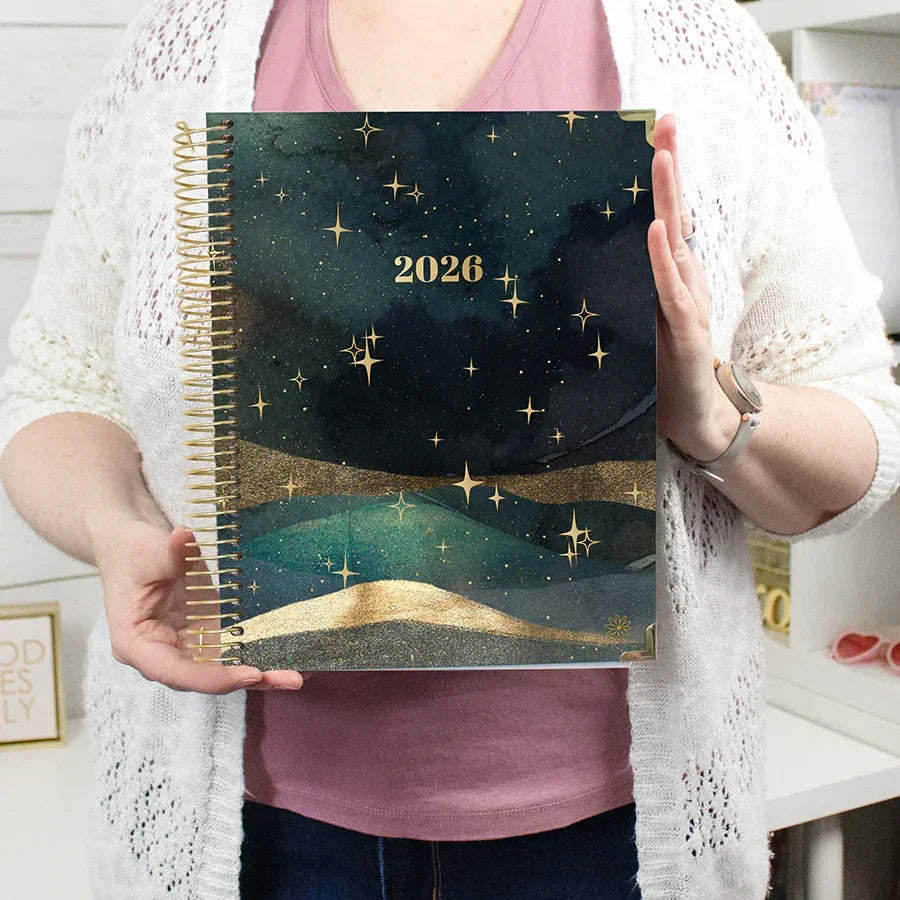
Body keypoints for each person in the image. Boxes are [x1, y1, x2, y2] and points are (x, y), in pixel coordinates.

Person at [1, 0, 898, 897]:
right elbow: (57, 390)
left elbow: (860, 439)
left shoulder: (702, 44)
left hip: (612, 838)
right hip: (252, 830)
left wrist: (709, 410)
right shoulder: (175, 49)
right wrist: (117, 529)